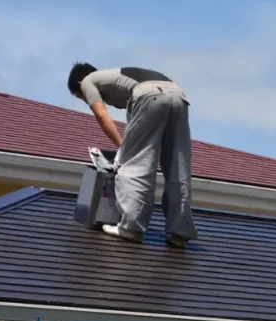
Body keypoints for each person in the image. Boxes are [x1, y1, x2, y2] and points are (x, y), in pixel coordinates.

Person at [67, 62, 198, 248]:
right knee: (178, 165)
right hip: (179, 96)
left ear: (79, 84)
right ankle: (180, 232)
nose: (85, 100)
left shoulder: (88, 81)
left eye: (80, 96)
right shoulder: (116, 80)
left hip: (150, 95)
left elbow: (102, 116)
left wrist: (123, 147)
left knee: (135, 163)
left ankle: (131, 228)